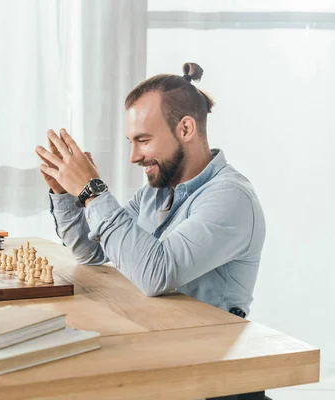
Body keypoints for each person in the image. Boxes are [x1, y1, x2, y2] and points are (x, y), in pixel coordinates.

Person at [34, 62, 266, 316]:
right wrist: (65, 193)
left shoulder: (231, 198)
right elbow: (93, 252)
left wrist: (92, 190)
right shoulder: (157, 192)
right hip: (154, 332)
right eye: (131, 142)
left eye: (143, 140)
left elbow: (156, 274)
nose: (133, 157)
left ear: (186, 129)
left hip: (206, 345)